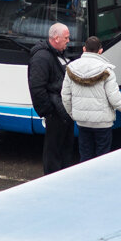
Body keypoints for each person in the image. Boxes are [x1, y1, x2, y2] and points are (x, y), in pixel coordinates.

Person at [61, 36, 121, 162]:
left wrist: (74, 114)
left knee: (85, 157)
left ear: (84, 49)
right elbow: (116, 100)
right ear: (100, 51)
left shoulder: (71, 68)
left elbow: (65, 96)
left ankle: (86, 180)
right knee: (102, 158)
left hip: (82, 122)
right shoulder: (106, 71)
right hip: (103, 123)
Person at [27, 22, 74, 175]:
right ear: (56, 38)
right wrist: (48, 111)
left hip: (62, 111)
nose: (68, 41)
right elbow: (37, 88)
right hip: (55, 113)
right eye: (66, 38)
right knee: (53, 151)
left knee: (64, 148)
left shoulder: (55, 54)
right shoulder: (42, 58)